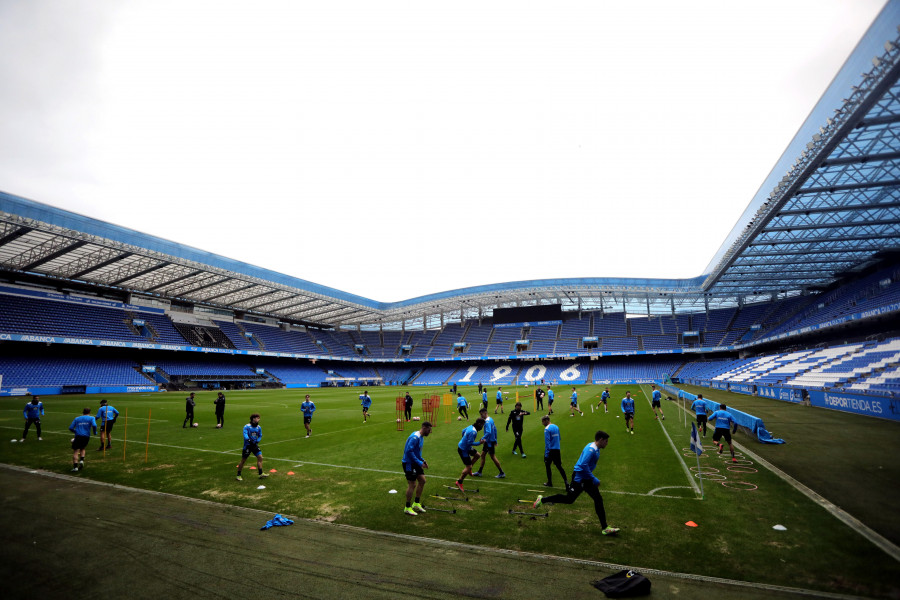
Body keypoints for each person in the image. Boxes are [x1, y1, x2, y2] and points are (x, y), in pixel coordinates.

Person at [533, 430, 619, 536]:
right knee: (569, 499)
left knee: (598, 499)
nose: (607, 443)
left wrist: (591, 478)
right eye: (606, 441)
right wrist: (593, 479)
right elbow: (582, 466)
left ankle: (605, 527)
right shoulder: (591, 450)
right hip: (579, 478)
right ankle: (542, 500)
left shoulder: (596, 448)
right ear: (601, 440)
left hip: (586, 478)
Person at [402, 420, 433, 516]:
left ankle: (416, 503)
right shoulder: (415, 437)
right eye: (429, 430)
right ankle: (407, 507)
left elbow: (416, 452)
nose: (430, 432)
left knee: (422, 481)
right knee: (412, 484)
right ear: (424, 428)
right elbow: (408, 451)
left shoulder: (421, 437)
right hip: (409, 463)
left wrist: (422, 460)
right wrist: (419, 462)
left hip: (415, 462)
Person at [473, 407, 505, 478]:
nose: (481, 416)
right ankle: (480, 472)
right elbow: (495, 430)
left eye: (481, 414)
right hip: (489, 441)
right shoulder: (491, 419)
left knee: (493, 457)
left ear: (485, 413)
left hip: (489, 442)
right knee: (483, 455)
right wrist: (495, 439)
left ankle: (501, 472)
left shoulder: (487, 422)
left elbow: (488, 432)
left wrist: (483, 438)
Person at [455, 417, 485, 492]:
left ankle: (469, 469)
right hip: (463, 449)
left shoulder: (471, 426)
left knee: (477, 455)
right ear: (479, 424)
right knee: (468, 467)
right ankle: (459, 482)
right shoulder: (473, 432)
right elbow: (470, 443)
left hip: (466, 447)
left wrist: (464, 439)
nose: (482, 427)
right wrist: (479, 443)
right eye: (482, 425)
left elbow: (463, 431)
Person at [236, 413, 269, 481]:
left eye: (258, 418)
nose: (258, 419)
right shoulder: (247, 426)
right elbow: (245, 434)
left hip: (254, 445)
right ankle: (238, 475)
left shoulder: (258, 427)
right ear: (253, 419)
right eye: (257, 418)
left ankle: (261, 473)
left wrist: (257, 441)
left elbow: (260, 435)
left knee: (260, 457)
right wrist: (248, 440)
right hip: (248, 446)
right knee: (243, 460)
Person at [541, 415, 569, 489]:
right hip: (557, 450)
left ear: (546, 421)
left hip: (550, 451)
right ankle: (566, 483)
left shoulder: (546, 429)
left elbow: (547, 443)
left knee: (547, 466)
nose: (542, 423)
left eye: (543, 422)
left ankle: (549, 482)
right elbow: (559, 438)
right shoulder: (556, 427)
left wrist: (547, 454)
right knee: (559, 467)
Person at [68, 408, 97, 472]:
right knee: (83, 448)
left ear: (83, 412)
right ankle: (81, 460)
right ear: (89, 412)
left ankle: (75, 467)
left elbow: (70, 428)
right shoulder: (91, 418)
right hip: (86, 436)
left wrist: (75, 431)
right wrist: (95, 432)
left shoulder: (77, 418)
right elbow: (94, 425)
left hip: (78, 436)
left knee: (76, 451)